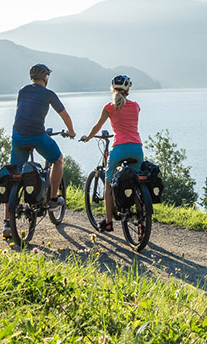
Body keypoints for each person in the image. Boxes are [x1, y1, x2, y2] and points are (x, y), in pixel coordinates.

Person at [81, 74, 142, 233]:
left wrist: (88, 137)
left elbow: (97, 126)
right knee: (135, 182)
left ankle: (108, 222)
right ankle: (142, 219)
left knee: (108, 183)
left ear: (112, 89)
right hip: (137, 149)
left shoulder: (109, 107)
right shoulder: (135, 106)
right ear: (128, 89)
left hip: (119, 149)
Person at [10, 63, 76, 210]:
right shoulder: (48, 94)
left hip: (18, 136)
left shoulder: (23, 91)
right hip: (37, 135)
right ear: (45, 77)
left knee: (14, 173)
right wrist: (71, 131)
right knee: (58, 160)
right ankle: (53, 199)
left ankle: (7, 224)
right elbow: (64, 115)